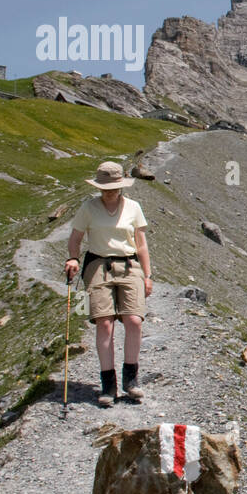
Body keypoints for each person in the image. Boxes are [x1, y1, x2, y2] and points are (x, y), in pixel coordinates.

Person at [63, 161, 154, 407]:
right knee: (104, 322)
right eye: (105, 188)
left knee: (134, 319)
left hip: (129, 265)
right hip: (97, 265)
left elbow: (141, 243)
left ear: (122, 186)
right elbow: (76, 238)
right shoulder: (88, 208)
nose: (110, 192)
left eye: (114, 187)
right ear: (99, 187)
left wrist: (147, 275)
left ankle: (131, 380)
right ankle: (108, 385)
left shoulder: (133, 207)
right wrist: (73, 258)